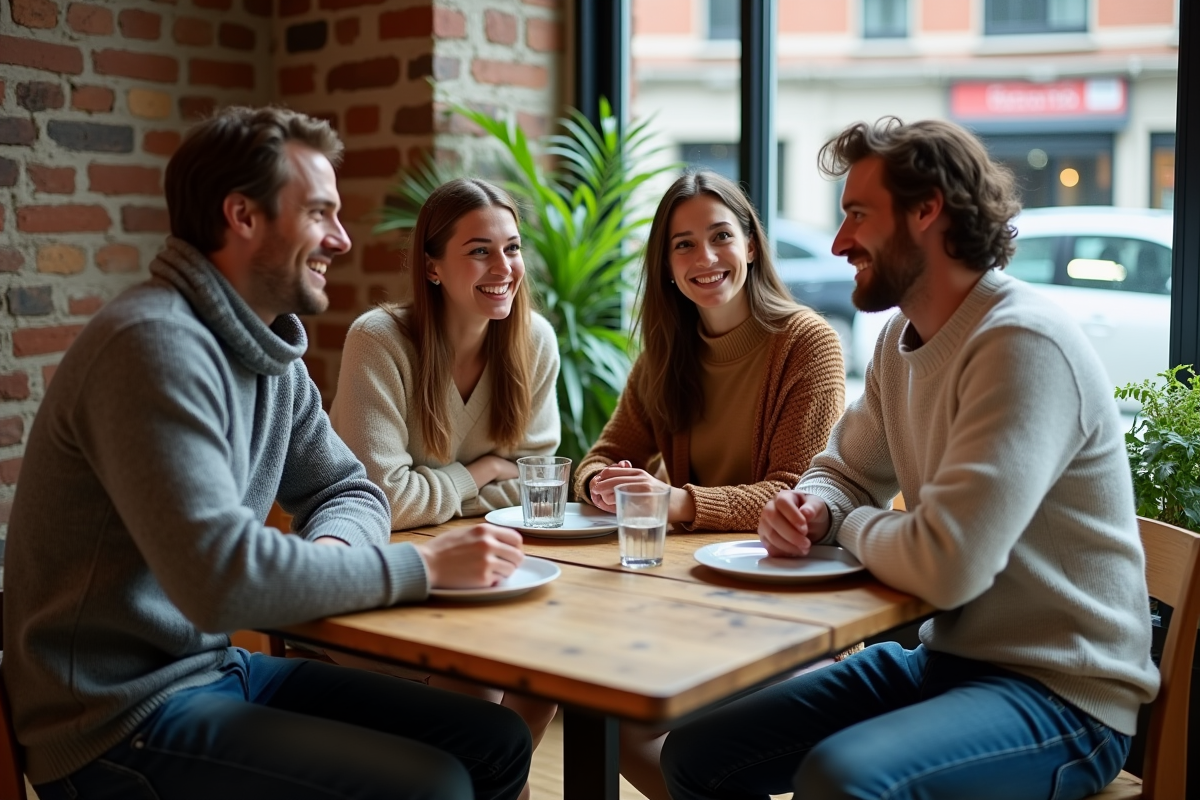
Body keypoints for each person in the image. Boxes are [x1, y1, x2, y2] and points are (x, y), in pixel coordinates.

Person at [2, 106, 532, 800]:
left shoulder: (271, 356)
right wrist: (420, 567)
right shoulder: (153, 346)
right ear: (243, 217)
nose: (341, 238)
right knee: (431, 786)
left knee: (494, 740)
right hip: (116, 717)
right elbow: (221, 582)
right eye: (319, 213)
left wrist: (336, 560)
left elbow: (348, 490)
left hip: (212, 670)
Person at [660, 118, 1160, 800]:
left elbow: (946, 566)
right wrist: (815, 507)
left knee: (841, 779)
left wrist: (846, 525)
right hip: (946, 660)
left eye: (858, 215)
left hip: (1062, 696)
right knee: (697, 753)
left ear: (927, 210)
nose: (839, 242)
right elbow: (843, 472)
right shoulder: (903, 339)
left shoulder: (1021, 344)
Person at [574, 170, 845, 799]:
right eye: (683, 244)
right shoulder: (666, 352)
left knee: (673, 734)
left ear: (750, 243)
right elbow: (602, 456)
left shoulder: (808, 344)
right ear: (667, 266)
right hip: (693, 602)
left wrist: (676, 501)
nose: (705, 257)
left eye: (720, 236)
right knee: (614, 721)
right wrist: (599, 484)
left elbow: (796, 493)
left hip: (791, 615)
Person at [328, 178, 560, 777]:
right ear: (432, 267)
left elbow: (537, 488)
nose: (503, 268)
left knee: (544, 681)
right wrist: (480, 472)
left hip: (486, 576)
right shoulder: (379, 340)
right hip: (382, 582)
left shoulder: (534, 342)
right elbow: (383, 499)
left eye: (512, 248)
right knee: (481, 689)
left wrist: (435, 490)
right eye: (480, 251)